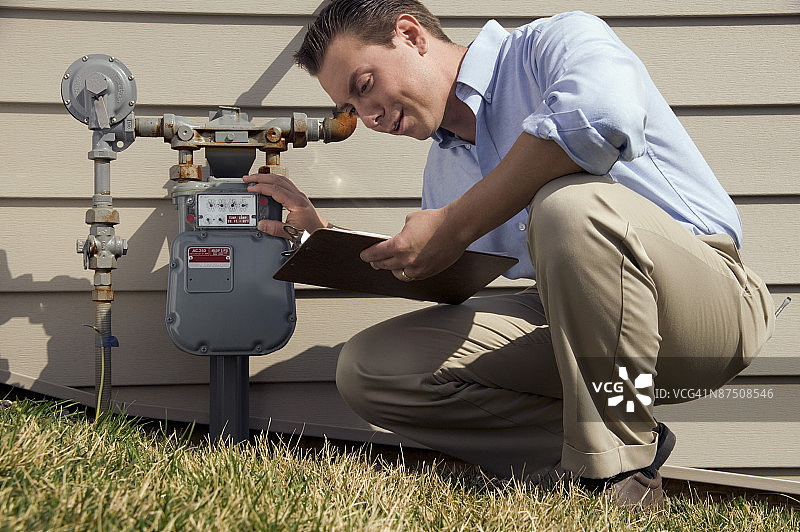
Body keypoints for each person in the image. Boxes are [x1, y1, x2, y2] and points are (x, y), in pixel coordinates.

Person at [243, 0, 775, 509]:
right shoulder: (443, 170)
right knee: (371, 369)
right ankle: (585, 466)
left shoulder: (553, 43)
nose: (369, 117)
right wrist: (324, 238)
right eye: (351, 108)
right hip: (577, 327)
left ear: (409, 35)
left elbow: (602, 116)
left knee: (568, 206)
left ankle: (622, 475)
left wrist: (453, 224)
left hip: (706, 308)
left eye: (364, 86)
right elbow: (447, 278)